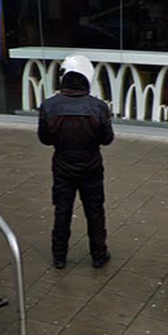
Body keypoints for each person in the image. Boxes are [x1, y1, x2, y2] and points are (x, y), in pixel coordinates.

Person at [38, 55, 114, 269]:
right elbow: (107, 140)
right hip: (91, 166)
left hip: (62, 165)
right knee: (95, 211)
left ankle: (59, 257)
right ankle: (99, 255)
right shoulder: (98, 107)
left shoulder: (49, 106)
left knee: (62, 210)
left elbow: (44, 139)